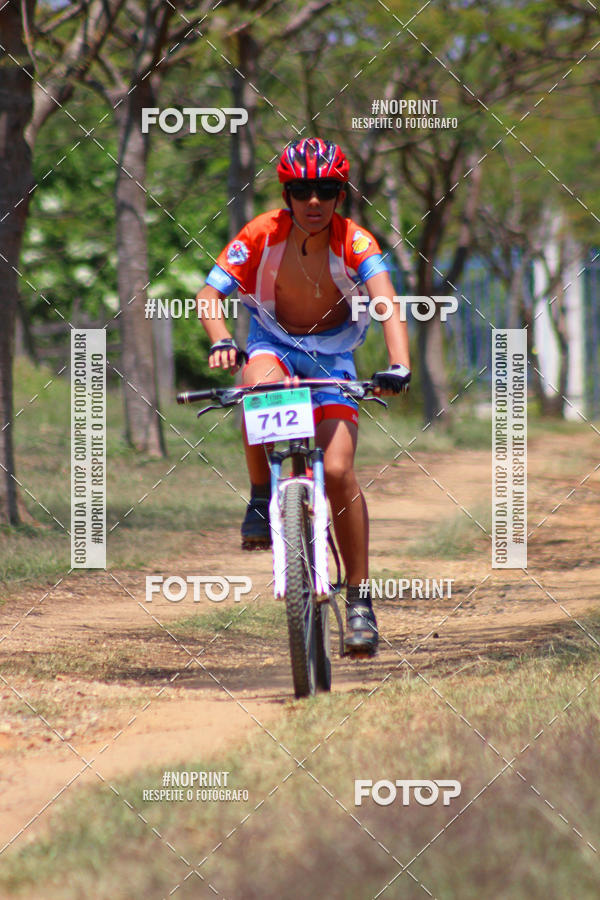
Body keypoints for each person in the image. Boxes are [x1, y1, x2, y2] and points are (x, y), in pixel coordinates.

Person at [195, 137, 410, 655]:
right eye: (302, 191)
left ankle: (359, 599)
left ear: (341, 194)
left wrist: (399, 363)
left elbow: (386, 302)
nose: (314, 202)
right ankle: (261, 495)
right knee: (255, 383)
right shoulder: (259, 234)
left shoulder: (356, 241)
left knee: (337, 471)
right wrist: (222, 339)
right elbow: (209, 294)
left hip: (333, 357)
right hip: (273, 344)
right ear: (286, 193)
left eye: (327, 190)